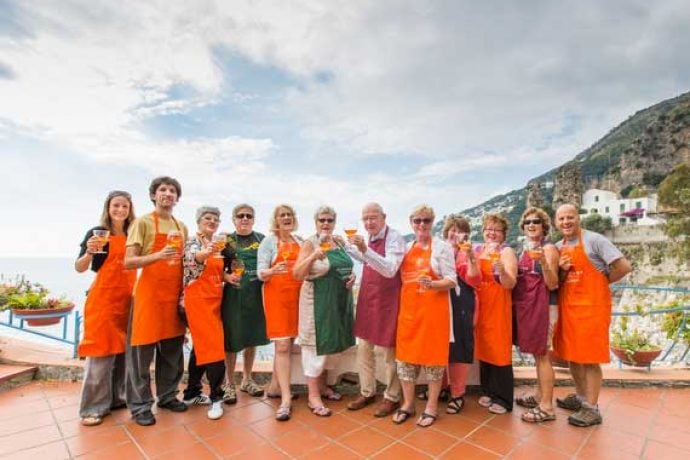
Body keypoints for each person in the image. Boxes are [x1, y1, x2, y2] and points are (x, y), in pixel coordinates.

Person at [553, 203, 631, 427]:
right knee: (573, 355)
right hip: (569, 309)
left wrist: (601, 281)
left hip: (592, 310)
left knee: (590, 359)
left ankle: (592, 408)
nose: (566, 222)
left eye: (570, 217)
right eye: (562, 219)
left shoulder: (595, 240)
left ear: (578, 218)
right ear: (557, 223)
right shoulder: (559, 246)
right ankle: (580, 397)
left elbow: (623, 266)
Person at [124, 176, 189, 426]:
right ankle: (140, 405)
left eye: (173, 190)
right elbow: (129, 261)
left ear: (177, 198)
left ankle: (167, 396)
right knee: (141, 354)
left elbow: (184, 261)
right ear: (153, 195)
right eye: (163, 190)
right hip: (149, 297)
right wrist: (159, 255)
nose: (168, 194)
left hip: (172, 296)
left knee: (172, 353)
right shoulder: (142, 223)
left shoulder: (181, 226)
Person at [75, 190, 137, 427]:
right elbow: (80, 268)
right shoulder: (96, 234)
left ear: (130, 209)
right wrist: (90, 252)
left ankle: (115, 399)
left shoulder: (134, 234)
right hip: (103, 298)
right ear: (108, 208)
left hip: (128, 299)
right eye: (116, 205)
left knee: (122, 353)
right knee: (100, 352)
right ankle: (91, 408)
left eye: (125, 206)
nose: (120, 210)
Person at [393, 205, 456, 428]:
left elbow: (452, 279)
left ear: (433, 222)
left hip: (434, 314)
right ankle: (408, 404)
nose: (422, 225)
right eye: (418, 220)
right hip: (409, 314)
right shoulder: (405, 248)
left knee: (434, 363)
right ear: (411, 222)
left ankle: (430, 407)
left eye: (426, 221)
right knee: (406, 363)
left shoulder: (442, 247)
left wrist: (433, 284)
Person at [293, 206, 356, 417]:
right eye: (322, 220)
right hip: (316, 303)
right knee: (315, 348)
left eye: (329, 220)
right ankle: (313, 396)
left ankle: (322, 387)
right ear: (315, 222)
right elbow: (297, 274)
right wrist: (312, 257)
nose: (326, 224)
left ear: (334, 222)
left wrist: (352, 277)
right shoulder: (310, 243)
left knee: (331, 347)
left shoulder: (339, 241)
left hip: (337, 303)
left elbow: (346, 267)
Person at [344, 203, 405, 418]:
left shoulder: (395, 238)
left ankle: (392, 396)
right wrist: (347, 247)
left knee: (389, 351)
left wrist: (364, 250)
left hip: (389, 300)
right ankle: (367, 391)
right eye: (365, 219)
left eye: (373, 218)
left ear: (383, 217)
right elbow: (366, 259)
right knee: (364, 349)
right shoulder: (367, 238)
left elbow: (389, 269)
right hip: (368, 298)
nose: (369, 222)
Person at [512, 207, 559, 423]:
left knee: (543, 355)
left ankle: (547, 407)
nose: (531, 225)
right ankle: (540, 396)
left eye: (536, 222)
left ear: (544, 226)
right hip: (530, 308)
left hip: (545, 308)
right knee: (537, 355)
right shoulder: (525, 250)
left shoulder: (548, 249)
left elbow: (552, 283)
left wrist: (542, 262)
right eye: (528, 222)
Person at [180, 206, 227, 420]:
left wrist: (228, 278)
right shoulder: (193, 241)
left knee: (200, 347)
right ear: (199, 221)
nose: (212, 221)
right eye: (207, 218)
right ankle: (217, 397)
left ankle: (191, 393)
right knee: (215, 347)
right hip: (197, 301)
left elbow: (220, 271)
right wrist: (204, 253)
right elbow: (192, 260)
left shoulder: (219, 243)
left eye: (215, 219)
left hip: (215, 300)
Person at [257, 204, 303, 421]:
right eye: (282, 215)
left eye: (289, 214)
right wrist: (272, 271)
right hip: (276, 298)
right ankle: (286, 398)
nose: (286, 217)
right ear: (276, 220)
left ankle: (275, 386)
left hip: (298, 298)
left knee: (289, 343)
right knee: (283, 345)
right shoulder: (268, 242)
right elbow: (260, 273)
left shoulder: (300, 241)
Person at [220, 204, 268, 404]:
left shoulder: (262, 239)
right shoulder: (226, 240)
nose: (245, 219)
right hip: (233, 296)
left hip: (256, 295)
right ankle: (229, 383)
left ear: (254, 219)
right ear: (234, 219)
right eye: (240, 216)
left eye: (249, 215)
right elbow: (214, 267)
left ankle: (247, 379)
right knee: (231, 340)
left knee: (252, 337)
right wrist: (226, 276)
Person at [474, 213, 518, 415]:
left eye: (496, 229)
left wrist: (501, 271)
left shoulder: (506, 252)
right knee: (484, 349)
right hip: (481, 307)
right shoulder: (479, 250)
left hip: (498, 306)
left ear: (503, 234)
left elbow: (511, 283)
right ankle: (490, 391)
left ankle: (504, 397)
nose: (491, 233)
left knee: (499, 349)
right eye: (488, 229)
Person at [440, 215, 481, 415]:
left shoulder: (466, 254)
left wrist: (472, 257)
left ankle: (457, 394)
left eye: (459, 230)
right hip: (441, 304)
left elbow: (474, 280)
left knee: (459, 348)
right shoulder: (440, 249)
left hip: (462, 305)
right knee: (441, 347)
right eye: (452, 229)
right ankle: (442, 387)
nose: (454, 234)